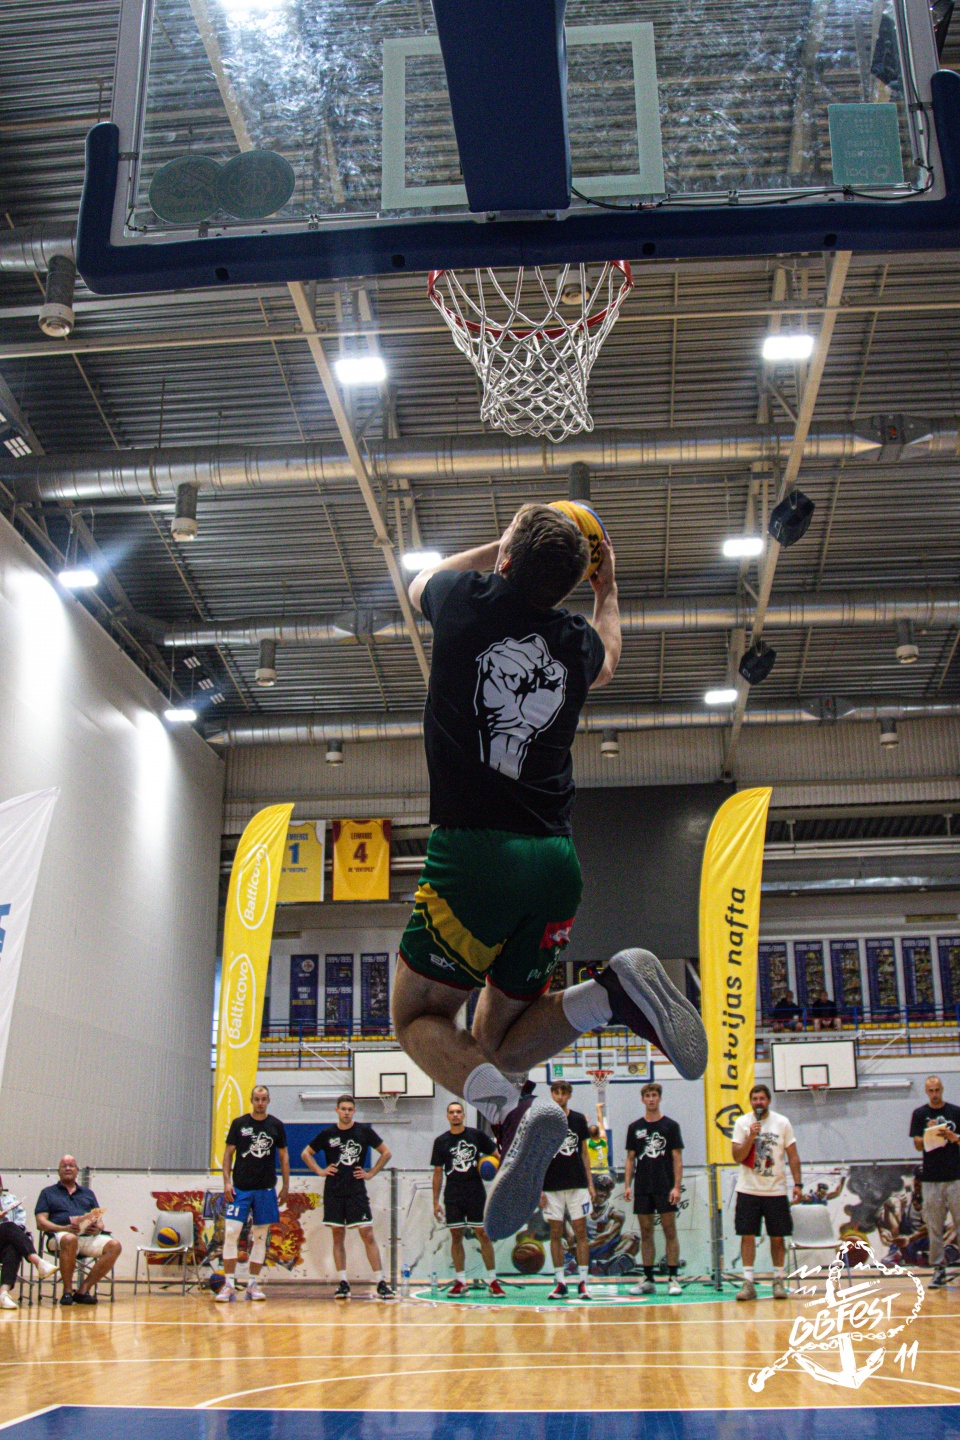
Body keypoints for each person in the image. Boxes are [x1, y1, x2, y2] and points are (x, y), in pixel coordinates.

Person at [391, 506, 708, 1240]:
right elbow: (611, 652)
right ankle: (609, 995)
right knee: (495, 1044)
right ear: (568, 584)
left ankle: (512, 1113)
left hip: (475, 859)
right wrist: (606, 588)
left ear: (504, 558)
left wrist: (504, 541)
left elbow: (419, 580)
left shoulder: (466, 601)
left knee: (416, 1019)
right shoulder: (572, 641)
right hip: (555, 863)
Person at [302, 1095, 395, 1300]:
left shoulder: (363, 1131)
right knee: (338, 1236)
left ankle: (380, 1282)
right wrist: (319, 1171)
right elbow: (306, 1153)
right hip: (334, 1191)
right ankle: (343, 1282)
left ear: (354, 1111)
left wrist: (371, 1173)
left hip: (356, 1191)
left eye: (349, 1109)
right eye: (343, 1109)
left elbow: (386, 1153)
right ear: (337, 1110)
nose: (346, 1112)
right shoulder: (328, 1134)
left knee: (367, 1234)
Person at [218, 1084, 289, 1303]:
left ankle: (252, 1284)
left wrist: (286, 1186)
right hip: (240, 1188)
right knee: (231, 1232)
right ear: (251, 1100)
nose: (260, 1103)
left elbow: (284, 1156)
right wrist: (227, 1182)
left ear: (269, 1101)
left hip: (265, 1189)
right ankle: (229, 1284)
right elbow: (228, 1154)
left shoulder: (276, 1125)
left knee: (260, 1236)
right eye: (257, 1099)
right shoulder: (239, 1124)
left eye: (263, 1099)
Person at [731, 1084, 802, 1301]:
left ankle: (778, 1279)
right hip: (748, 1190)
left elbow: (793, 1155)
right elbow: (737, 1156)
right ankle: (748, 1282)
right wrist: (751, 1136)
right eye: (755, 1099)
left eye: (762, 1098)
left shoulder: (782, 1123)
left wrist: (798, 1183)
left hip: (775, 1191)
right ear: (750, 1102)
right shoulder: (742, 1123)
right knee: (747, 1236)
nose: (758, 1102)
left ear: (768, 1100)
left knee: (777, 1237)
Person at [430, 1101, 505, 1297]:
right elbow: (437, 1172)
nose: (455, 1115)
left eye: (458, 1112)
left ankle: (493, 1281)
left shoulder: (476, 1136)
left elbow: (498, 1156)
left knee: (483, 1234)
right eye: (452, 1112)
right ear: (447, 1116)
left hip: (475, 1192)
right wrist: (435, 1201)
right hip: (453, 1194)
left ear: (463, 1115)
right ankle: (461, 1282)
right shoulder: (441, 1141)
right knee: (456, 1235)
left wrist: (495, 1170)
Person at [35, 1155, 122, 1306]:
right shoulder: (47, 1193)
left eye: (71, 1166)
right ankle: (67, 1291)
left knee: (114, 1245)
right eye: (64, 1166)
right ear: (59, 1171)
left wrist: (97, 1228)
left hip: (87, 1237)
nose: (68, 1169)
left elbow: (99, 1220)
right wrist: (63, 1228)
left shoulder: (88, 1193)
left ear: (77, 1171)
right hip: (60, 1236)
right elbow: (40, 1222)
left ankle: (83, 1290)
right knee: (70, 1239)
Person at [623, 1081, 684, 1296]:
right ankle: (648, 1279)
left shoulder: (670, 1126)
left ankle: (673, 1278)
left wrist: (676, 1187)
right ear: (643, 1100)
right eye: (647, 1096)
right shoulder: (635, 1128)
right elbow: (630, 1159)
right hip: (643, 1186)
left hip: (665, 1186)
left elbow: (677, 1158)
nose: (651, 1099)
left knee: (669, 1230)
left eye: (654, 1096)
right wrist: (627, 1185)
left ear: (659, 1098)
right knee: (646, 1232)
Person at [540, 1080, 595, 1301]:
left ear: (569, 1095)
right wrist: (538, 1188)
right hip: (551, 1185)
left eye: (563, 1093)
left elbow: (584, 1154)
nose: (560, 1096)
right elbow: (539, 1156)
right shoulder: (543, 1122)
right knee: (555, 1233)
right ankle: (560, 1282)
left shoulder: (578, 1119)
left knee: (581, 1232)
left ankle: (583, 1282)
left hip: (577, 1183)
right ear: (551, 1094)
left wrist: (590, 1183)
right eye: (556, 1092)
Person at [909, 1074, 960, 1287]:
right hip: (931, 1178)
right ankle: (939, 1268)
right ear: (926, 1092)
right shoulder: (920, 1114)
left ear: (942, 1089)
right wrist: (927, 1133)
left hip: (955, 1177)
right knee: (935, 1225)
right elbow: (917, 1145)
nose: (935, 1094)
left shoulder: (955, 1112)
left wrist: (954, 1137)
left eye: (937, 1090)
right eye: (931, 1091)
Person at [0, 1179, 56, 1308]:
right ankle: (38, 1261)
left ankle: (3, 1294)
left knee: (13, 1247)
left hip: (4, 1242)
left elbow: (20, 1223)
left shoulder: (9, 1198)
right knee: (9, 1226)